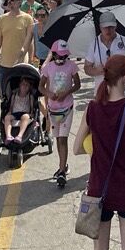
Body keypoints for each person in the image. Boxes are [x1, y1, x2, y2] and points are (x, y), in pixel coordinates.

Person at [73, 55, 125, 250]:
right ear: (124, 78)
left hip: (100, 189)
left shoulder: (92, 109)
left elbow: (76, 148)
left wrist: (97, 148)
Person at [40, 40, 79, 186]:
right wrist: (49, 94)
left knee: (63, 139)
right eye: (59, 56)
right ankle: (63, 165)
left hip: (67, 108)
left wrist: (66, 92)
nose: (61, 59)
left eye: (64, 57)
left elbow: (77, 84)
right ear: (54, 54)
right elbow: (41, 86)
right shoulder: (48, 68)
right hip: (53, 109)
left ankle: (62, 171)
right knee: (57, 139)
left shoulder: (72, 66)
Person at [0, 0, 34, 93]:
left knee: (22, 97)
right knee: (3, 96)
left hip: (21, 64)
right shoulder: (2, 19)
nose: (9, 1)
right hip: (5, 64)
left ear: (20, 1)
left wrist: (31, 60)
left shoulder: (27, 18)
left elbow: (30, 42)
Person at [84, 11, 125, 84]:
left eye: (111, 27)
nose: (108, 30)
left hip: (122, 89)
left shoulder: (124, 41)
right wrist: (96, 71)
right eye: (105, 27)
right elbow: (87, 68)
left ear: (116, 26)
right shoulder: (94, 44)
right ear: (100, 27)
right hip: (101, 89)